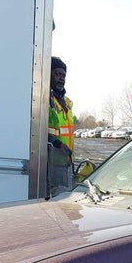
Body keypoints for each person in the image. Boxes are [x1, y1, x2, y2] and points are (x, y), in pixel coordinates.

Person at [48, 56, 75, 196]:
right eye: (57, 74)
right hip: (51, 163)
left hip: (66, 162)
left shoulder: (67, 103)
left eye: (63, 75)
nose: (61, 78)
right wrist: (57, 144)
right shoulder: (45, 99)